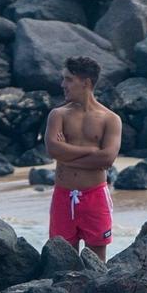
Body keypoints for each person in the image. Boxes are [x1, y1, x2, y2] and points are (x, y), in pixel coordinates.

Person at [43, 56, 122, 262]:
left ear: (85, 83)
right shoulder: (58, 115)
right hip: (63, 196)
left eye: (68, 79)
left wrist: (66, 155)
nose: (63, 85)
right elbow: (52, 149)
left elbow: (107, 158)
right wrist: (92, 153)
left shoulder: (110, 119)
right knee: (62, 259)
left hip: (95, 197)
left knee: (96, 262)